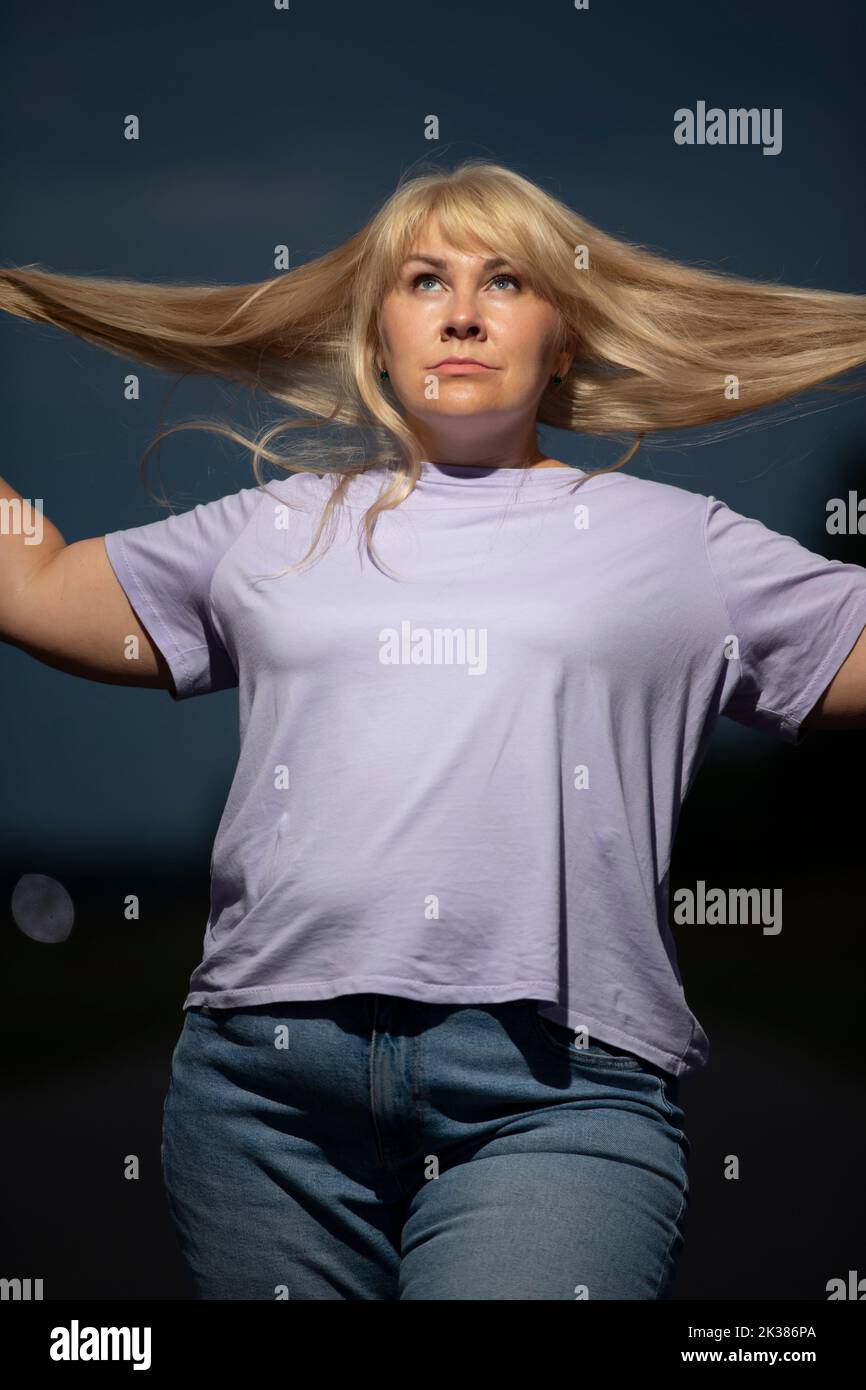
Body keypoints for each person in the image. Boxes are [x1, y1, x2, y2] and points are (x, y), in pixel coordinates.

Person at [2, 160, 866, 1300]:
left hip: (553, 1098)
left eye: (504, 279)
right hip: (264, 1099)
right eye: (423, 280)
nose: (460, 309)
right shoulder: (274, 527)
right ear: (377, 339)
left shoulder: (678, 544)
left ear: (562, 339)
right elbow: (41, 578)